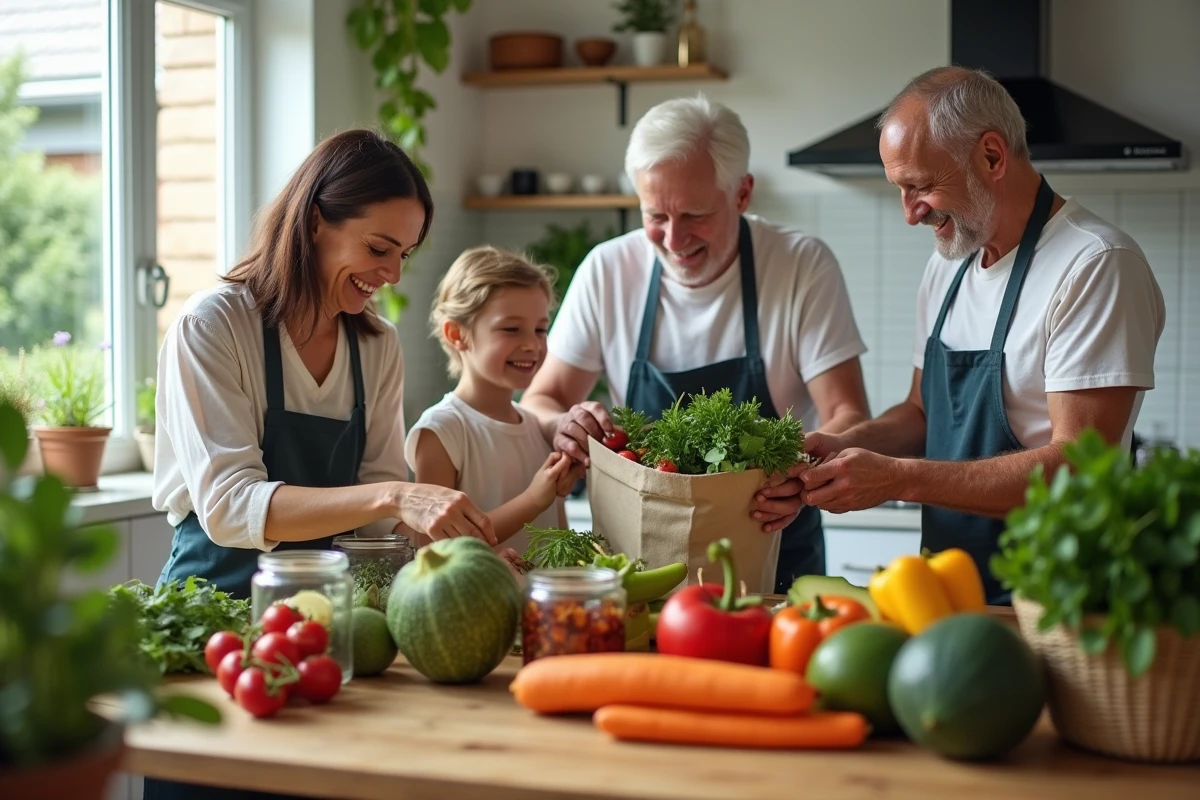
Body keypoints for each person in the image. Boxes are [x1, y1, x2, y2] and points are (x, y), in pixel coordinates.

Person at [800, 67, 1166, 603]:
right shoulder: (948, 265)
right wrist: (844, 446)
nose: (910, 214)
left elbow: (1079, 466)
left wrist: (900, 478)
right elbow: (922, 413)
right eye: (900, 189)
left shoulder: (1095, 265)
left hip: (1055, 601)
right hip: (947, 592)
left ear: (992, 156)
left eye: (921, 186)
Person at [520, 95, 871, 594]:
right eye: (655, 215)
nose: (673, 238)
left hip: (773, 544)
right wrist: (564, 423)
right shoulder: (608, 270)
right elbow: (541, 397)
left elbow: (849, 413)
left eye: (695, 214)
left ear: (743, 193)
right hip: (639, 561)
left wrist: (799, 471)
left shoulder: (800, 266)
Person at [406, 246, 584, 558]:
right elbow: (436, 550)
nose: (532, 344)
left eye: (541, 329)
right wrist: (533, 500)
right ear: (457, 334)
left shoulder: (537, 428)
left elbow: (561, 541)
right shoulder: (441, 431)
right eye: (511, 329)